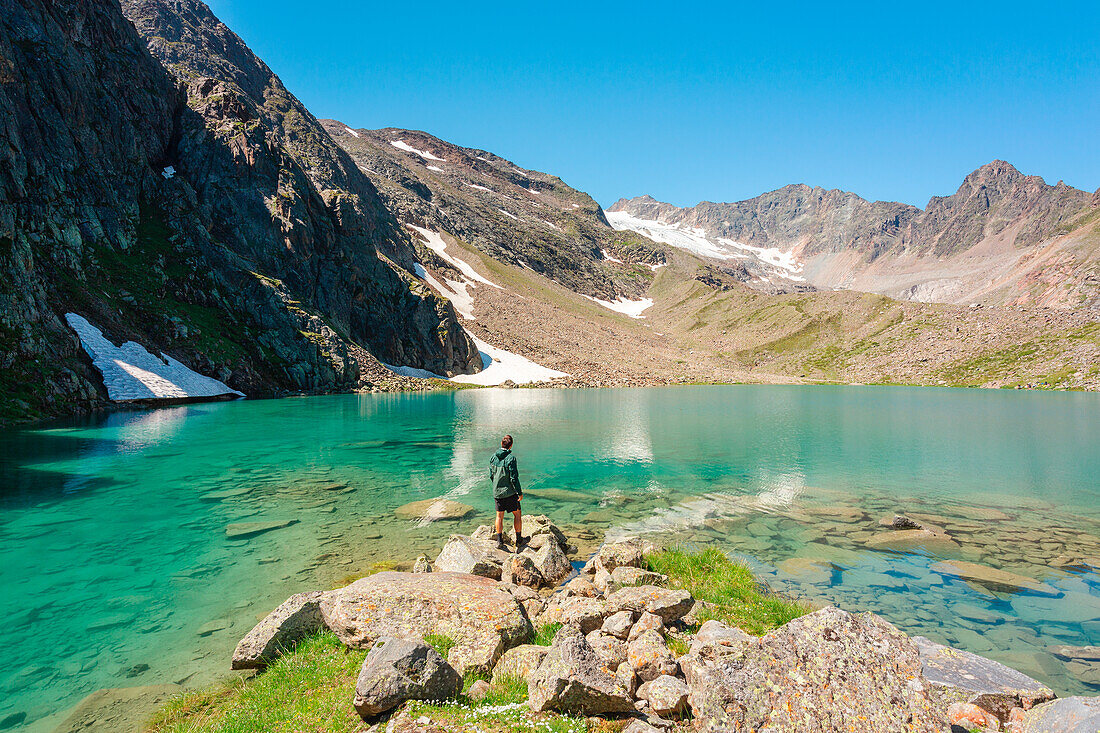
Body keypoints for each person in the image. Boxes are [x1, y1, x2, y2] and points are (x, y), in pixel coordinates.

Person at [489, 434, 524, 550]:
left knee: (499, 516)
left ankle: (499, 541)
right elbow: (514, 478)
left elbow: (491, 475)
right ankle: (519, 540)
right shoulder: (511, 459)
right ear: (511, 445)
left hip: (497, 492)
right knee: (517, 514)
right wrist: (519, 492)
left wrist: (496, 486)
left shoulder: (493, 457)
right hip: (509, 493)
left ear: (501, 444)